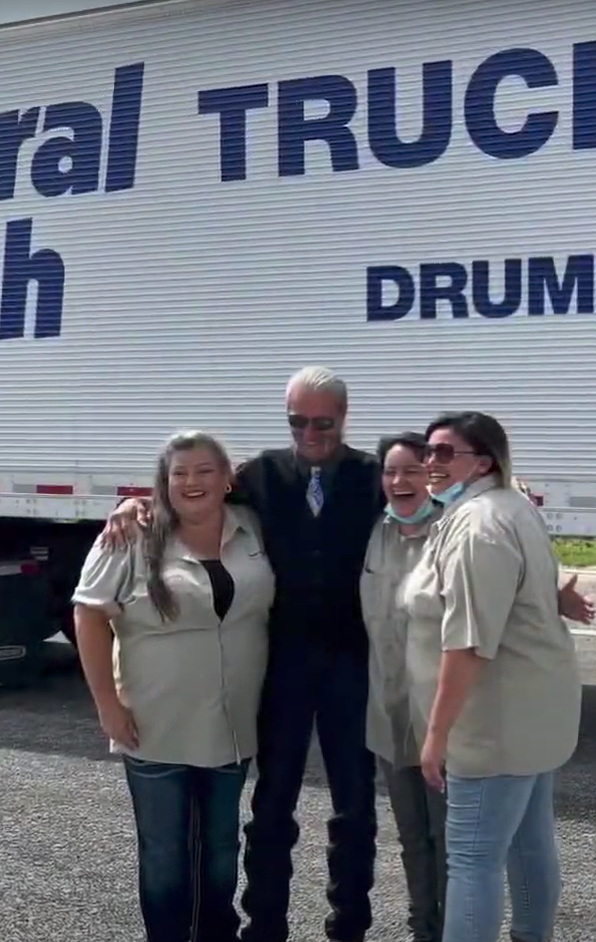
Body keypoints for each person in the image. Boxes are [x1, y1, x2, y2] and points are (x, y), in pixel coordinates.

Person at [103, 366, 384, 942]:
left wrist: (506, 492)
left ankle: (348, 924)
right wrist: (134, 504)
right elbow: (189, 493)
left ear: (343, 417)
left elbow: (431, 510)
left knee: (354, 807)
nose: (309, 433)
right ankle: (264, 927)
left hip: (352, 666)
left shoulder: (373, 475)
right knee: (272, 806)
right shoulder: (260, 474)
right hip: (280, 668)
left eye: (322, 422)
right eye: (296, 421)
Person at [359, 432, 594, 942]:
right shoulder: (506, 507)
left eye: (446, 453)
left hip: (489, 722)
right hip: (525, 716)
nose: (431, 464)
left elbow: (466, 642)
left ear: (482, 461)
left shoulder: (475, 526)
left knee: (471, 859)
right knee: (528, 841)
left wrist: (438, 734)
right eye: (430, 453)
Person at [71, 430, 273, 942]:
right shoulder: (130, 536)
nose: (192, 482)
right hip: (156, 727)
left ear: (227, 479)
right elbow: (88, 616)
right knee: (165, 855)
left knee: (222, 853)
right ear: (164, 482)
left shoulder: (252, 528)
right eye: (179, 472)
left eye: (205, 470)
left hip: (231, 727)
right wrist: (107, 707)